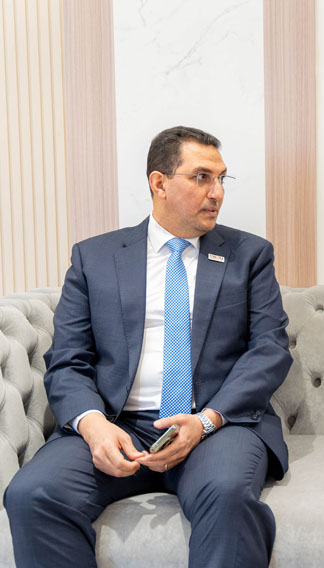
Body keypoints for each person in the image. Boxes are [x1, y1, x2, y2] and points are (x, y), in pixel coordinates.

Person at [4, 126, 292, 567]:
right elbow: (67, 360)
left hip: (215, 426)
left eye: (221, 179)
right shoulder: (95, 258)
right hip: (119, 423)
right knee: (32, 493)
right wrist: (92, 425)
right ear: (159, 183)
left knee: (227, 495)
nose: (217, 192)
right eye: (202, 177)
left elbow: (269, 349)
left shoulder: (249, 255)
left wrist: (206, 421)